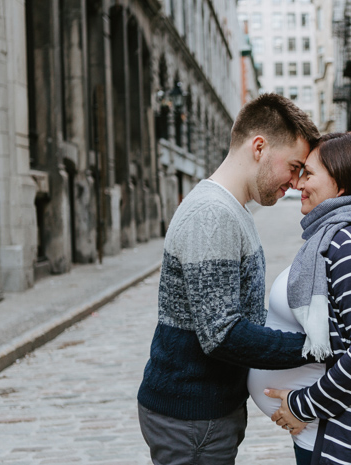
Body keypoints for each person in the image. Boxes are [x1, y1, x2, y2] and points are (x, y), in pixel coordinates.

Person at [137, 93, 320, 465]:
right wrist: (314, 348)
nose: (296, 181)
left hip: (202, 414)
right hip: (192, 418)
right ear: (259, 147)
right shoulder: (212, 214)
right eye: (294, 165)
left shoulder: (230, 209)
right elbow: (221, 334)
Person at [254, 132, 351, 465]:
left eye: (308, 173)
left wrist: (302, 405)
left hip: (342, 435)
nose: (298, 183)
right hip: (322, 431)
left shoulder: (349, 241)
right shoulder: (331, 236)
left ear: (340, 185)